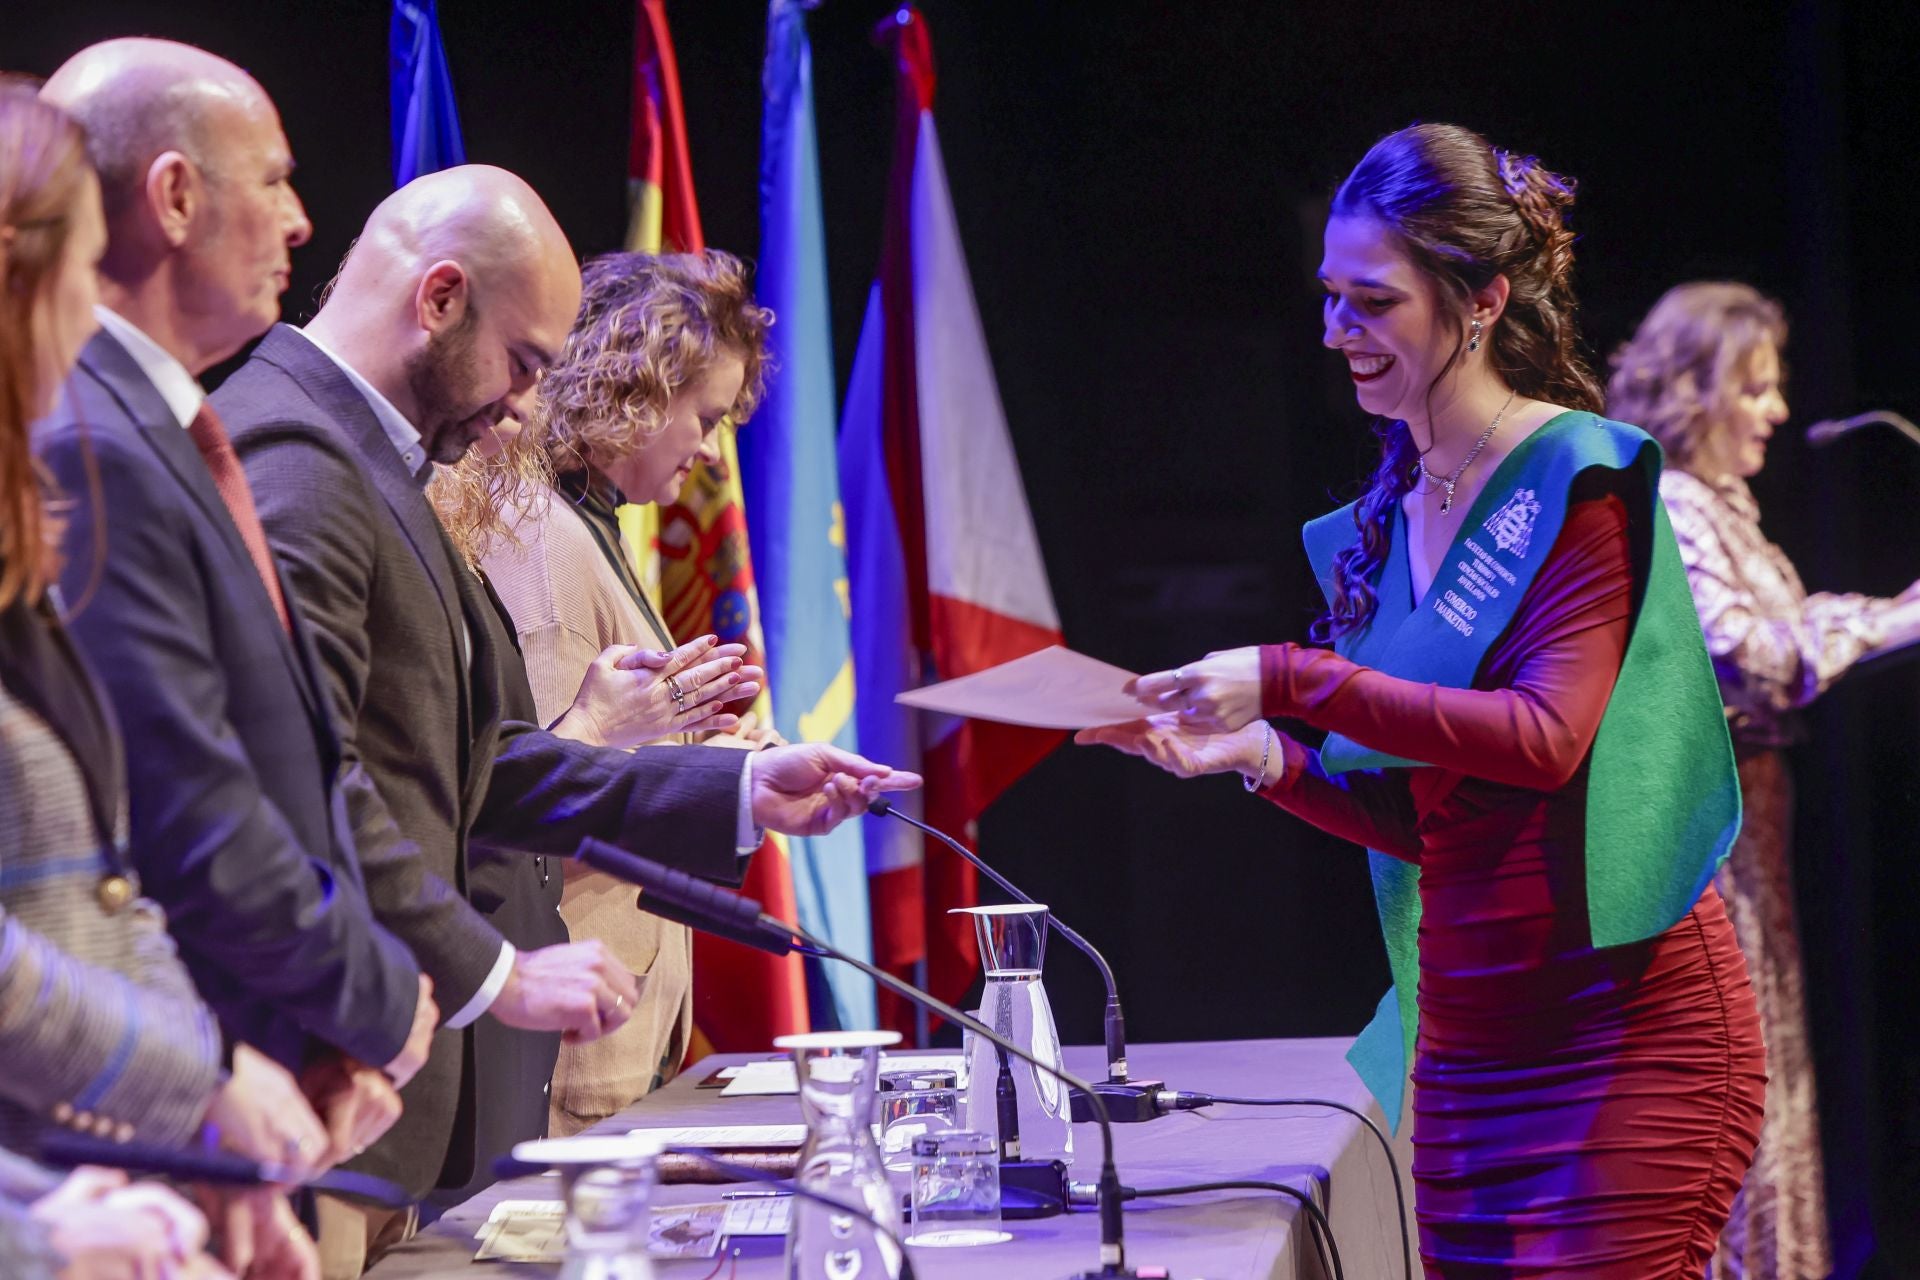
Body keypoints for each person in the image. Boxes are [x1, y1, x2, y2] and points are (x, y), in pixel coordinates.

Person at [1078, 123, 1766, 1277]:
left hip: (1626, 1040)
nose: (1337, 332)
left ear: (1483, 299)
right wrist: (1261, 754)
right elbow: (1434, 823)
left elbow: (1545, 742)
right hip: (1467, 1056)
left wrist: (1292, 677)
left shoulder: (1577, 474)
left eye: (1373, 302)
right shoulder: (1385, 522)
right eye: (1330, 298)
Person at [212, 164, 919, 1275]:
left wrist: (733, 786)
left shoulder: (379, 465)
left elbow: (478, 759)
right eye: (527, 363)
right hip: (311, 1085)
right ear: (441, 299)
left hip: (376, 1095)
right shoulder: (300, 452)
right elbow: (304, 775)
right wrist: (496, 971)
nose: (530, 402)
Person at [34, 39, 436, 1173]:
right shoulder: (91, 445)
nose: (303, 221)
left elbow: (293, 768)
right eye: (273, 179)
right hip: (177, 1113)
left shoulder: (155, 429)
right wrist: (377, 997)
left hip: (265, 1086)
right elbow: (184, 809)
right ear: (174, 196)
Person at [0, 75, 315, 1280]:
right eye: (80, 274)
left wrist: (198, 1135)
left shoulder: (26, 530)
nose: (88, 321)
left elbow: (105, 885)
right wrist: (202, 1088)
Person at [1609, 282, 1920, 1279]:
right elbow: (1746, 652)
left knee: (1768, 1076)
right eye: (1756, 387)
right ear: (1694, 389)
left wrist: (1887, 609)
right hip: (1704, 838)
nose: (1776, 411)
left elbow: (1788, 623)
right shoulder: (1665, 500)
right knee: (1727, 1086)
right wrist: (1895, 620)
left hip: (1755, 844)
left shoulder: (1719, 505)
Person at [434, 249, 774, 1136]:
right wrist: (697, 777)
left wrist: (719, 773)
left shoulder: (585, 528)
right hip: (573, 1061)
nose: (708, 453)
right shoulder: (543, 538)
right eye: (702, 418)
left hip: (612, 1044)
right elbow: (516, 807)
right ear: (637, 390)